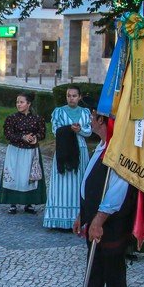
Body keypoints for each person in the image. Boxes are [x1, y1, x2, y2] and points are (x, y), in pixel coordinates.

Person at [58, 99, 136, 287]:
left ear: (103, 120)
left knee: (113, 271)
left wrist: (99, 220)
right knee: (94, 269)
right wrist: (83, 215)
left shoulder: (119, 151)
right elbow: (90, 183)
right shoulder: (102, 145)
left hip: (111, 223)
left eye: (93, 116)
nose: (89, 120)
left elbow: (117, 191)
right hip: (93, 218)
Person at [44, 86, 92, 229]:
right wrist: (69, 129)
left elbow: (89, 131)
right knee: (62, 183)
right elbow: (55, 130)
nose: (71, 98)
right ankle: (59, 218)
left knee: (79, 183)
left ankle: (78, 218)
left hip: (80, 150)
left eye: (74, 95)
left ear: (79, 97)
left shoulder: (85, 113)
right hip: (63, 150)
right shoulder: (59, 112)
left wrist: (80, 130)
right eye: (69, 95)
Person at [0, 93, 47, 214]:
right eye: (17, 102)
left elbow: (42, 133)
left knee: (29, 175)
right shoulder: (12, 118)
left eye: (21, 102)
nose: (18, 104)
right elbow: (8, 134)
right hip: (15, 150)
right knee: (14, 175)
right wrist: (22, 137)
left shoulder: (37, 119)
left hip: (31, 151)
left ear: (29, 104)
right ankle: (12, 203)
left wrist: (35, 138)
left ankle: (29, 203)